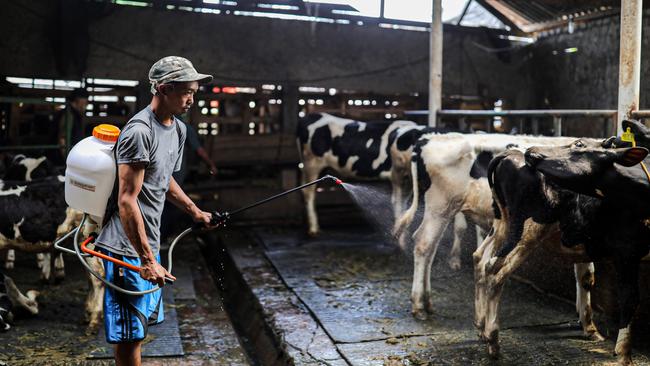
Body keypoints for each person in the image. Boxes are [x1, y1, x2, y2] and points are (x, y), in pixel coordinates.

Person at [94, 56, 216, 366]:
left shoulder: (178, 130)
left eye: (194, 92)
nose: (191, 99)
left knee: (141, 326)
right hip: (125, 248)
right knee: (129, 335)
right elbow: (126, 199)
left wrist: (194, 211)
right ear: (162, 89)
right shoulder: (139, 132)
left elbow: (165, 179)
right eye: (185, 92)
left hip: (148, 241)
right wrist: (146, 259)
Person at [53, 88, 89, 164]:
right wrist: (68, 160)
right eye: (85, 102)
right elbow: (62, 139)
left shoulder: (73, 114)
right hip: (63, 159)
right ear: (79, 101)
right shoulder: (68, 115)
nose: (86, 105)